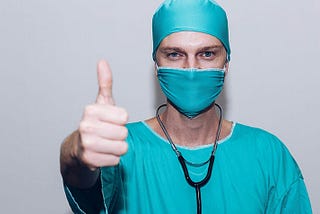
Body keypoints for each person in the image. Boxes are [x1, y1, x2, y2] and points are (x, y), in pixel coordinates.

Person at [60, 0, 312, 213]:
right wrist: (77, 152)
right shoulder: (121, 148)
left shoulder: (268, 155)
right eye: (174, 54)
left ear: (227, 64)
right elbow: (80, 177)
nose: (191, 69)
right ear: (156, 65)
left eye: (207, 54)